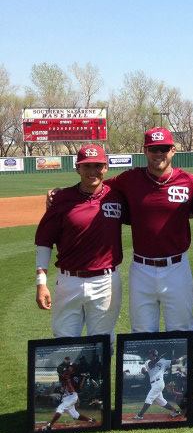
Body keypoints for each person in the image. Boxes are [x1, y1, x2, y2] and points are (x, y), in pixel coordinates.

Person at [105, 127, 193, 332]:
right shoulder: (129, 179)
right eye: (153, 149)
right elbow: (96, 189)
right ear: (145, 151)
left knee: (181, 330)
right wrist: (60, 193)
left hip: (177, 267)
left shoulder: (189, 181)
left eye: (164, 148)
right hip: (141, 269)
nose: (159, 153)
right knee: (141, 332)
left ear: (173, 150)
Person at [35, 144, 126, 339]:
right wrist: (41, 283)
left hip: (106, 282)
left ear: (106, 167)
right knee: (64, 342)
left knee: (102, 342)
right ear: (78, 168)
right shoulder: (61, 199)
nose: (92, 171)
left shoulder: (117, 196)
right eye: (87, 166)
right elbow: (44, 241)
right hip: (69, 281)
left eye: (97, 166)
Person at [42, 356, 97, 431]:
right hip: (67, 397)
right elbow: (60, 371)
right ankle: (90, 420)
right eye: (69, 367)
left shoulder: (74, 378)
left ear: (74, 370)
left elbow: (78, 388)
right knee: (75, 415)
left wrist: (84, 378)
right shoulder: (66, 374)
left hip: (71, 397)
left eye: (71, 367)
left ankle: (49, 426)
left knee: (60, 408)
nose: (69, 368)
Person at [133, 348, 183, 420]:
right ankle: (175, 411)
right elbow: (150, 366)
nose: (149, 355)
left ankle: (140, 415)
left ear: (154, 355)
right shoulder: (148, 362)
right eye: (149, 354)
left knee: (149, 398)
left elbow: (175, 361)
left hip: (159, 383)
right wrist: (157, 360)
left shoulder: (163, 361)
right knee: (161, 401)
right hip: (154, 384)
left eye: (150, 354)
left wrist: (178, 359)